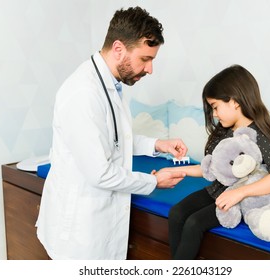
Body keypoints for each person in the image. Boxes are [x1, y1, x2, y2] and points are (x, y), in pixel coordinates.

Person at [36, 6, 188, 260]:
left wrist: (158, 144)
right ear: (119, 49)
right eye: (145, 59)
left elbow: (115, 139)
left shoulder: (109, 85)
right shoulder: (83, 93)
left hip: (99, 226)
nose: (150, 70)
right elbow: (100, 173)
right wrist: (153, 182)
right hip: (80, 235)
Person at [158, 64, 270, 259]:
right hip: (219, 190)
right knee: (177, 213)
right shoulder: (226, 131)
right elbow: (213, 168)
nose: (214, 114)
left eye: (215, 107)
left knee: (194, 223)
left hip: (239, 199)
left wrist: (240, 193)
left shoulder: (257, 135)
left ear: (235, 102)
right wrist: (176, 171)